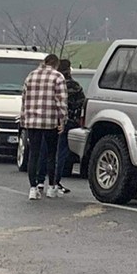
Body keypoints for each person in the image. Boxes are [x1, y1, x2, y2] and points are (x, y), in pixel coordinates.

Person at [20, 54, 67, 200]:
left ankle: (33, 188)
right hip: (50, 121)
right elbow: (61, 101)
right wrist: (62, 120)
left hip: (32, 121)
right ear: (56, 64)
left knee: (34, 154)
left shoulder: (31, 76)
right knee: (51, 154)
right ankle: (51, 187)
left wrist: (23, 119)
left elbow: (24, 99)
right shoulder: (58, 77)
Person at [53, 59, 86, 195]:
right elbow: (82, 103)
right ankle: (56, 181)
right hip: (69, 122)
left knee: (47, 152)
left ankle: (40, 181)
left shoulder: (53, 83)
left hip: (51, 121)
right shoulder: (74, 86)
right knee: (61, 152)